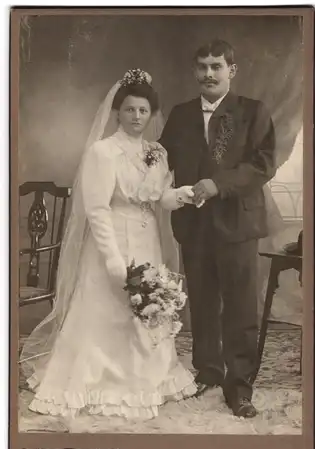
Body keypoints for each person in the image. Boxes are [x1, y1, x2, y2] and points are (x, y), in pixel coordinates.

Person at [19, 69, 198, 420]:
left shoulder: (156, 152)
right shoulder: (103, 152)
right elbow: (97, 209)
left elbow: (159, 196)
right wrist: (113, 259)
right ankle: (98, 381)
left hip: (147, 240)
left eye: (143, 111)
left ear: (152, 114)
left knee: (147, 306)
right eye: (129, 110)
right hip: (113, 240)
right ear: (117, 112)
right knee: (110, 308)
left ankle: (148, 379)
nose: (136, 117)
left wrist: (182, 195)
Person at [159, 39, 277, 418]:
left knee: (241, 307)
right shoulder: (179, 115)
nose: (209, 74)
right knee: (204, 303)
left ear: (231, 71)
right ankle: (208, 372)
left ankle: (239, 387)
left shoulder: (251, 112)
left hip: (238, 224)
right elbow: (162, 161)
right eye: (202, 67)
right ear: (195, 71)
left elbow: (262, 164)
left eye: (217, 67)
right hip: (194, 226)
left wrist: (218, 184)